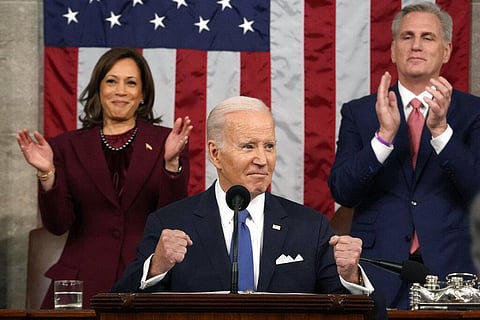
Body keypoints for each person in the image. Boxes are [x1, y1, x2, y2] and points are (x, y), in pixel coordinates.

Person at [111, 96, 387, 319]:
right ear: (215, 153)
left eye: (269, 146)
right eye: (248, 146)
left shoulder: (309, 227)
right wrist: (157, 265)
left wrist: (352, 276)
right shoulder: (171, 223)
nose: (262, 159)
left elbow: (370, 314)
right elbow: (118, 306)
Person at [328, 2, 480, 310]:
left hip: (454, 273)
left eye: (427, 37)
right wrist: (382, 139)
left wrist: (441, 133)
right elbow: (342, 190)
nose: (416, 45)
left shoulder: (473, 112)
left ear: (447, 50)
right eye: (407, 37)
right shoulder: (359, 112)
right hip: (378, 271)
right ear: (394, 50)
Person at [16, 48, 193, 308]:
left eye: (131, 82)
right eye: (111, 81)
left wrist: (170, 164)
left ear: (143, 94)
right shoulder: (65, 146)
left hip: (144, 281)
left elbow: (172, 219)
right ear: (99, 88)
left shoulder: (167, 143)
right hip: (81, 283)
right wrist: (47, 173)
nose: (120, 90)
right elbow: (57, 224)